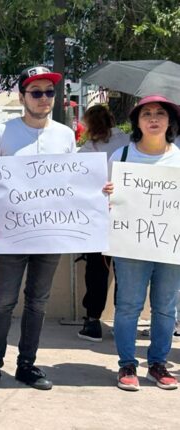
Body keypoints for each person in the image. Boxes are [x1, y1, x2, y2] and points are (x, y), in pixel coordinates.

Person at [0, 66, 77, 392]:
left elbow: (74, 182)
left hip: (49, 234)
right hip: (11, 233)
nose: (44, 98)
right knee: (4, 300)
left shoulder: (65, 135)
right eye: (36, 92)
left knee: (38, 302)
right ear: (22, 97)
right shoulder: (3, 133)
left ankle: (27, 365)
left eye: (50, 92)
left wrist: (96, 192)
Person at [109, 95, 180, 391]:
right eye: (146, 113)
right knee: (128, 305)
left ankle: (158, 364)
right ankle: (127, 363)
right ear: (137, 122)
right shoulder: (122, 156)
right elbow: (102, 199)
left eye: (160, 113)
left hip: (170, 244)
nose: (153, 118)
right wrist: (107, 192)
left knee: (166, 307)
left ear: (169, 121)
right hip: (130, 244)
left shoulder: (178, 157)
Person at [76, 104, 129, 342]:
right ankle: (122, 321)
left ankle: (93, 320)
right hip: (126, 216)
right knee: (124, 272)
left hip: (96, 218)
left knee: (96, 271)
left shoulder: (85, 152)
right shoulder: (127, 143)